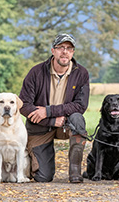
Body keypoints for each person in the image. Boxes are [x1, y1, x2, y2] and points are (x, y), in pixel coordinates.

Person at [19, 33, 90, 183]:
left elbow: (80, 105)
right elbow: (24, 105)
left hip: (66, 123)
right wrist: (51, 121)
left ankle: (75, 171)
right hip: (40, 127)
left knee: (78, 119)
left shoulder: (81, 73)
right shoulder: (36, 72)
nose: (65, 52)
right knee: (43, 177)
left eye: (69, 48)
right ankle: (30, 155)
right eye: (61, 48)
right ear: (53, 51)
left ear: (73, 52)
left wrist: (48, 111)